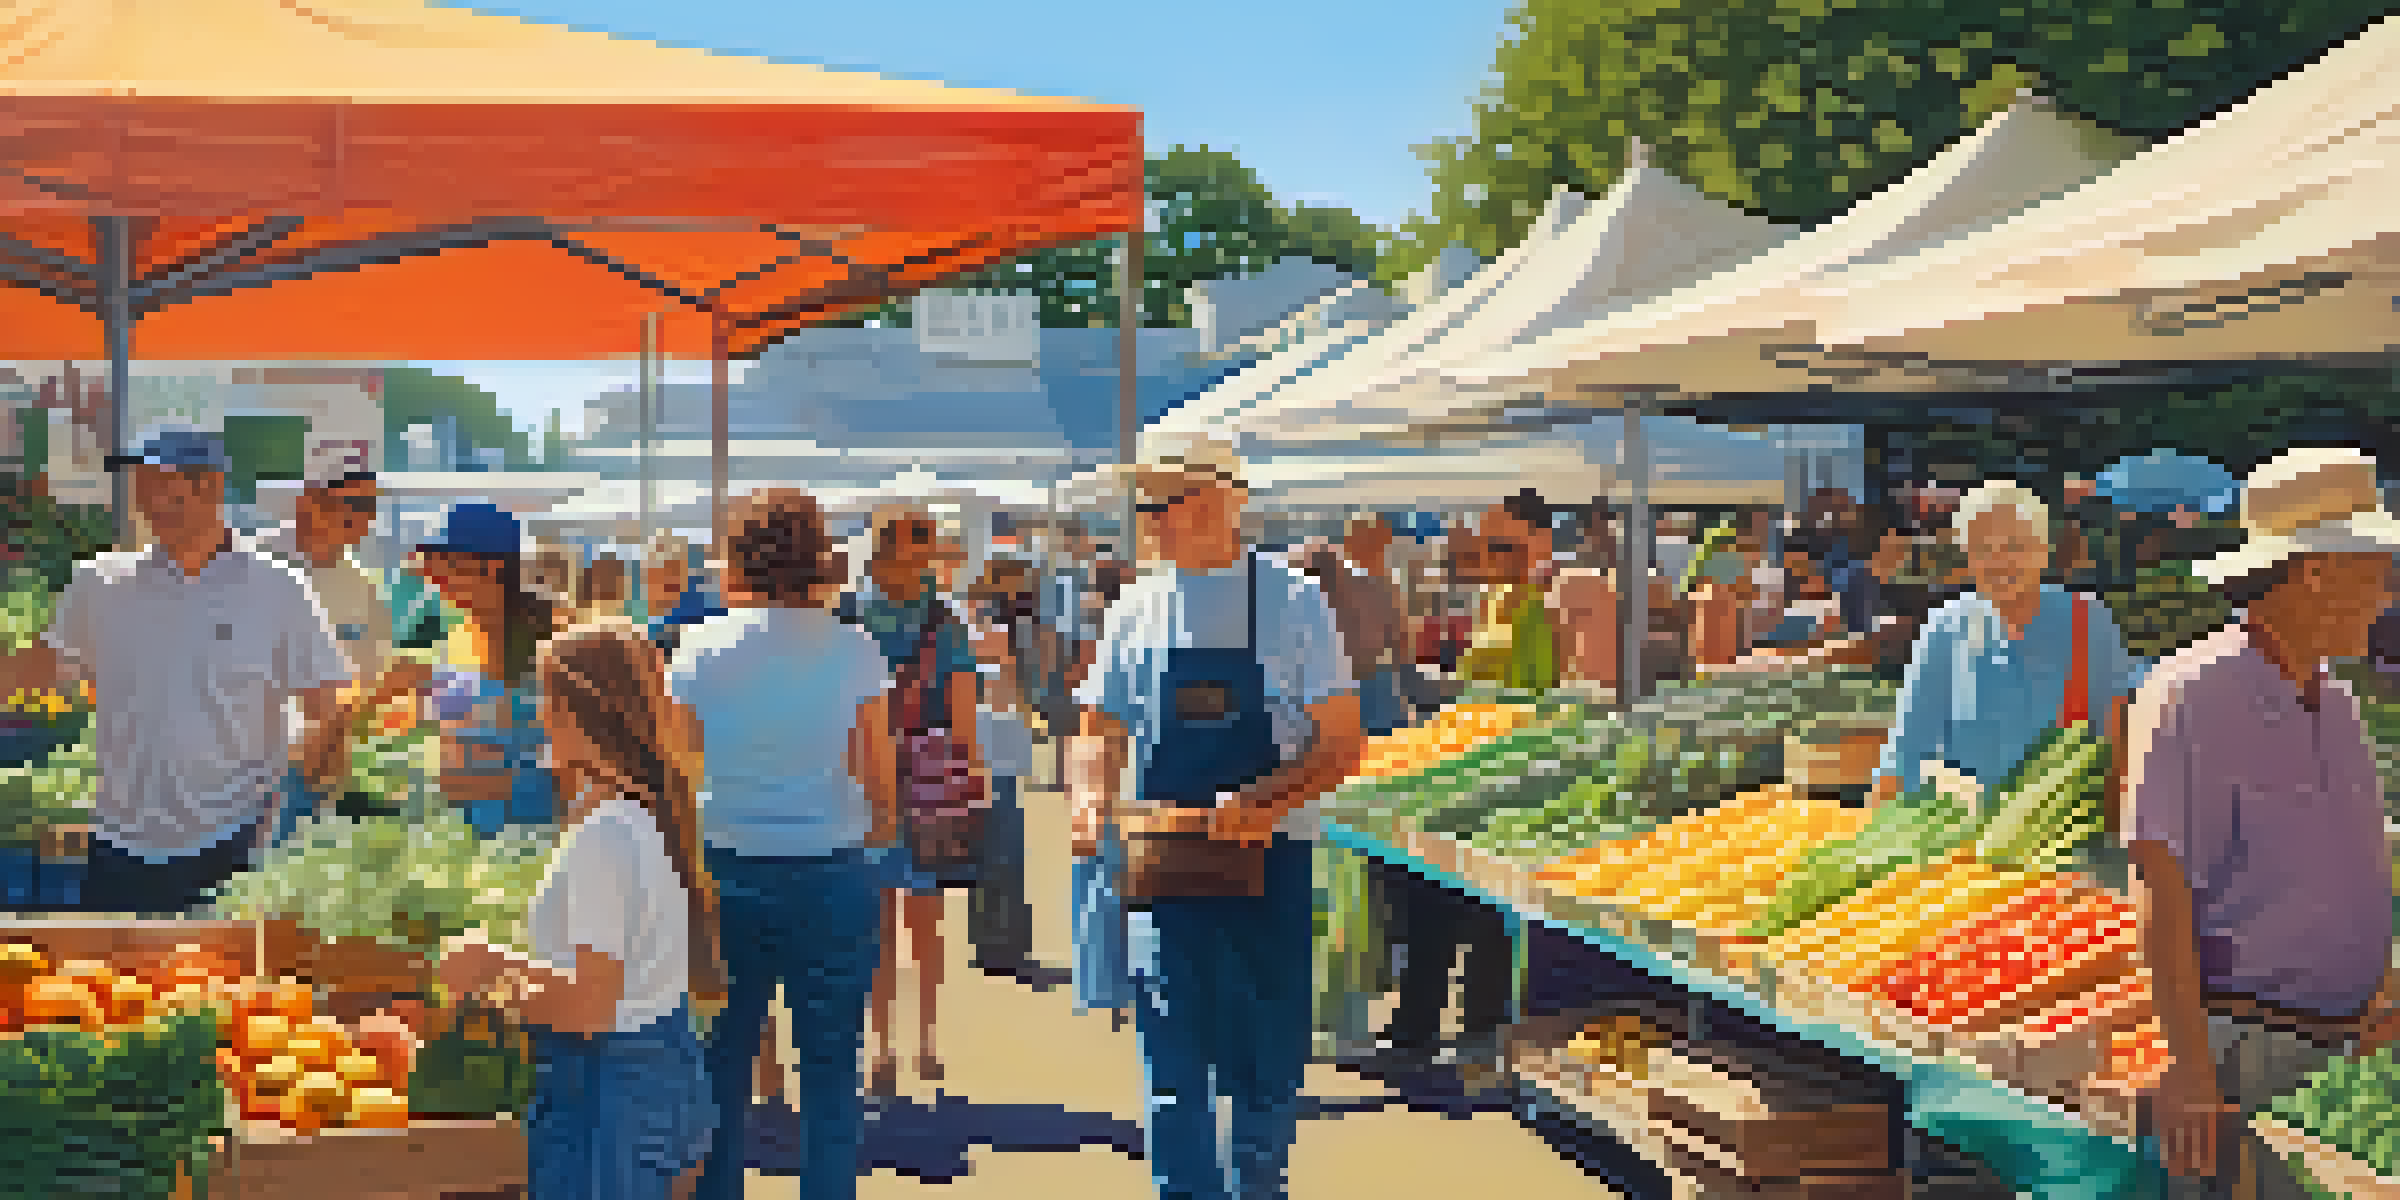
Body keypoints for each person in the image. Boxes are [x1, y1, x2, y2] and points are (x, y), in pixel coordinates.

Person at [1073, 433, 1360, 1200]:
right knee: (1173, 1060)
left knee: (1267, 1059)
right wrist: (1088, 797)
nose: (1143, 520)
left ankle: (1258, 1187)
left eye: (1154, 504)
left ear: (1216, 503)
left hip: (1271, 866)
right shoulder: (1136, 608)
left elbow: (1341, 743)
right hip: (1163, 867)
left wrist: (1264, 802)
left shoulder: (1295, 601)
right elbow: (1096, 730)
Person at [2125, 448, 2400, 1199]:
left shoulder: (2339, 704)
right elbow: (2160, 884)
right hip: (2248, 1054)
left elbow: (2343, 865)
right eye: (2376, 570)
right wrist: (2186, 1066)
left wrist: (2379, 986)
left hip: (2341, 1050)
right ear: (2314, 571)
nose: (2386, 596)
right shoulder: (2188, 694)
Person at [0, 428, 358, 915]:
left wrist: (300, 785)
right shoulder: (100, 583)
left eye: (162, 483)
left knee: (227, 989)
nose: (148, 499)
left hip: (235, 843)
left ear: (211, 487)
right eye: (142, 484)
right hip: (119, 843)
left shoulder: (278, 588)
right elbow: (38, 672)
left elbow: (329, 699)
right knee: (111, 987)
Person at [665, 490, 896, 1200]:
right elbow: (880, 780)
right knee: (831, 1073)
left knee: (721, 1070)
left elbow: (679, 772)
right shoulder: (854, 648)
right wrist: (866, 828)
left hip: (725, 872)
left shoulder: (699, 647)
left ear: (737, 556)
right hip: (831, 873)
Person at [436, 625, 720, 1200]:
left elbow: (590, 1006)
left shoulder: (605, 836)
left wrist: (489, 977)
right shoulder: (635, 816)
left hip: (611, 1094)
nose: (538, 714)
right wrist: (501, 963)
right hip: (645, 1081)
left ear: (578, 711)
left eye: (546, 698)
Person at [1873, 481, 2142, 810]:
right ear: (1968, 558)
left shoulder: (2088, 622)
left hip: (2070, 839)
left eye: (2014, 545)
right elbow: (1906, 750)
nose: (2000, 562)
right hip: (1967, 841)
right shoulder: (1945, 627)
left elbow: (2118, 741)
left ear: (2042, 551)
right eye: (1984, 548)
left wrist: (2117, 841)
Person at [842, 504, 985, 1095]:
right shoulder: (945, 625)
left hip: (861, 783)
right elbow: (964, 720)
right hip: (930, 783)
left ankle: (886, 1043)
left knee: (875, 924)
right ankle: (923, 1037)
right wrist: (972, 777)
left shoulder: (845, 618)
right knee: (923, 919)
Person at [245, 451, 434, 840]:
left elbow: (363, 689)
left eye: (373, 506)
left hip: (318, 777)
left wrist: (391, 689)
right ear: (311, 501)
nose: (366, 517)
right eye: (356, 503)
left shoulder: (361, 587)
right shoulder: (245, 565)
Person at [409, 503, 559, 836]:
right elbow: (452, 738)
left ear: (490, 568)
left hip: (535, 846)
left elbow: (588, 770)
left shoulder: (557, 643)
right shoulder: (458, 638)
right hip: (470, 846)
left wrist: (494, 783)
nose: (434, 578)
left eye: (447, 564)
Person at [964, 557, 1042, 982]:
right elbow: (1005, 695)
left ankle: (997, 944)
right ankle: (1002, 946)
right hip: (993, 751)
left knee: (998, 852)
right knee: (1002, 852)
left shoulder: (1005, 627)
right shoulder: (992, 630)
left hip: (998, 749)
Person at [1299, 514, 1413, 738]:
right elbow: (1400, 640)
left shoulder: (1378, 583)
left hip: (1362, 682)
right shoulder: (1377, 583)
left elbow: (1400, 640)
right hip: (1357, 683)